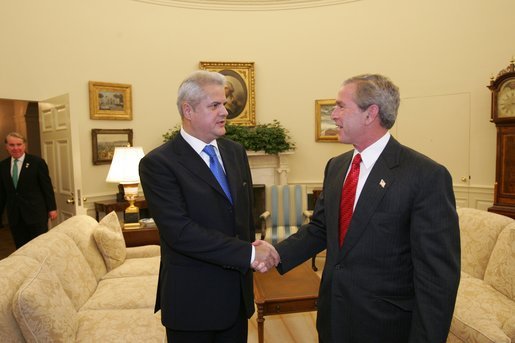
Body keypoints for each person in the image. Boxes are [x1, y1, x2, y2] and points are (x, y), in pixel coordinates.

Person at [270, 74, 461, 343]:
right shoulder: (336, 166)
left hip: (386, 327)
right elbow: (321, 228)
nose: (333, 115)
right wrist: (276, 253)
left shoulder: (425, 175)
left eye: (340, 106)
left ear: (370, 114)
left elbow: (437, 277)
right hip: (333, 319)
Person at [139, 70, 279, 343]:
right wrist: (249, 254)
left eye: (224, 104)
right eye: (215, 105)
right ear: (187, 110)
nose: (225, 112)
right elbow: (180, 233)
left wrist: (254, 247)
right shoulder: (159, 164)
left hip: (236, 300)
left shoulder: (235, 151)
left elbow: (243, 216)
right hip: (193, 304)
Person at [0, 132, 58, 248]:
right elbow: (2, 193)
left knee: (39, 247)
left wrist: (52, 208)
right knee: (21, 248)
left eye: (19, 144)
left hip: (36, 214)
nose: (15, 148)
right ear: (6, 147)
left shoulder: (37, 162)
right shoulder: (3, 166)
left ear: (24, 145)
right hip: (15, 216)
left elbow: (46, 187)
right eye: (12, 145)